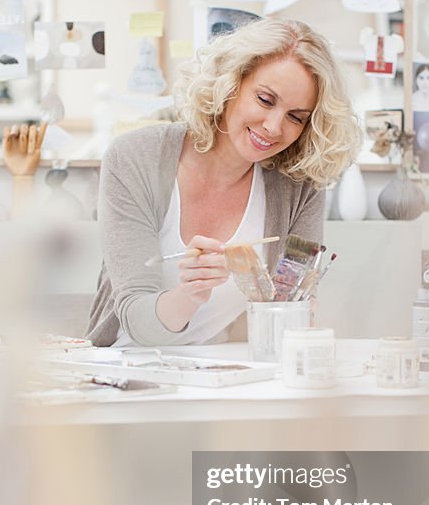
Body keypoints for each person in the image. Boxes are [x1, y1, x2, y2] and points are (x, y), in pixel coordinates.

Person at [87, 18, 360, 347]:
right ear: (230, 84)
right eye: (265, 100)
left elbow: (292, 298)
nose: (274, 127)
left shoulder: (301, 185)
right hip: (122, 369)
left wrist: (297, 313)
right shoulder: (134, 158)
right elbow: (138, 322)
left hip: (222, 374)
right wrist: (190, 294)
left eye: (296, 117)